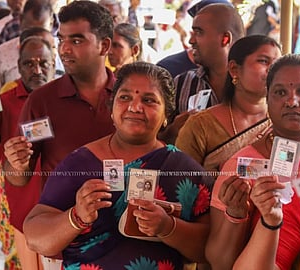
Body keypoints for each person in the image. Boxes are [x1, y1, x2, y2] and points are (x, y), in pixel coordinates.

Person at [23, 61, 212, 269]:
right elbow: (35, 238)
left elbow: (209, 250)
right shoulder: (80, 164)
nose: (135, 107)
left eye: (149, 100)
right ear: (112, 110)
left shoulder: (183, 169)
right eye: (125, 97)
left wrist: (168, 227)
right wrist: (76, 217)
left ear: (167, 116)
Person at [3, 2, 116, 267]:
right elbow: (20, 176)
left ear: (104, 46)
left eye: (76, 40)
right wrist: (16, 163)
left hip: (126, 238)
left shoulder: (127, 96)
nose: (64, 49)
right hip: (65, 242)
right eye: (61, 39)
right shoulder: (42, 101)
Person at [206, 54, 300, 269]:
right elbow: (219, 263)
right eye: (280, 92)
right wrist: (236, 214)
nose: (292, 101)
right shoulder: (241, 166)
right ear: (268, 100)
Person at [0, 35, 55, 269]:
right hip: (20, 198)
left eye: (43, 63)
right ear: (18, 67)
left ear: (53, 63)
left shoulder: (64, 98)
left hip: (59, 197)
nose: (37, 69)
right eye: (29, 63)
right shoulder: (4, 101)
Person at [176, 35, 281, 173]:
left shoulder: (282, 123)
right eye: (263, 61)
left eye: (277, 64)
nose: (272, 70)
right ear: (234, 69)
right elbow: (181, 183)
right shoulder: (201, 126)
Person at [159, 3, 244, 144]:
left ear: (225, 39)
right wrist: (172, 132)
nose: (191, 40)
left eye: (198, 32)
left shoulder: (254, 88)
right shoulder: (180, 83)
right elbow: (156, 142)